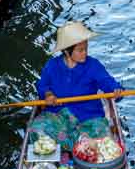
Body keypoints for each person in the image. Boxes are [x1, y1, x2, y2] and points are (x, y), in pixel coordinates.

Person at [33, 21, 124, 151]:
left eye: (86, 48)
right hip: (59, 116)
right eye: (80, 50)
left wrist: (116, 90)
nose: (85, 53)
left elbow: (108, 82)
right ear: (66, 51)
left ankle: (71, 146)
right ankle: (81, 144)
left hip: (89, 117)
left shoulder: (93, 65)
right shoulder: (52, 65)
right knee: (36, 129)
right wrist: (48, 94)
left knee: (102, 132)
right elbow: (43, 85)